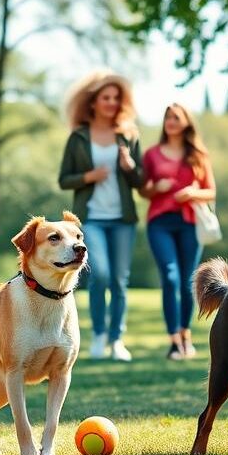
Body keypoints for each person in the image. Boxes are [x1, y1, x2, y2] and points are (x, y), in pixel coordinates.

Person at [58, 71, 144, 361]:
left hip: (123, 219)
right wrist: (89, 175)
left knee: (119, 280)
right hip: (90, 218)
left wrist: (130, 166)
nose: (111, 102)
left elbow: (140, 182)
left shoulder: (128, 136)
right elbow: (64, 179)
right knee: (101, 275)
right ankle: (98, 335)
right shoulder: (79, 137)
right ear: (93, 102)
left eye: (116, 98)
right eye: (105, 98)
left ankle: (116, 339)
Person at [140, 103, 216, 360]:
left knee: (187, 282)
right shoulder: (151, 154)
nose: (170, 121)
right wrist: (156, 187)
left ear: (186, 122)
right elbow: (142, 190)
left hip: (189, 222)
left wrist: (193, 192)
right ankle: (174, 341)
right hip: (160, 222)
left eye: (176, 117)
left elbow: (211, 191)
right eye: (167, 117)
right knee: (170, 278)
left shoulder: (198, 155)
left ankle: (185, 334)